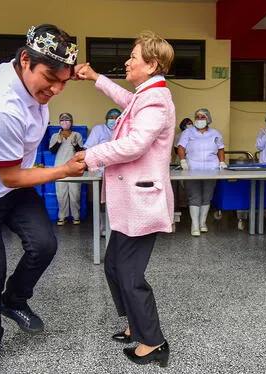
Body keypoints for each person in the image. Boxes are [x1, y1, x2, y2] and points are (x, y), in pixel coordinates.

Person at [0, 24, 86, 374]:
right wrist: (64, 170)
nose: (56, 89)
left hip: (12, 187)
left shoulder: (33, 85)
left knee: (44, 245)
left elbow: (14, 176)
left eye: (64, 82)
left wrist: (73, 73)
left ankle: (14, 300)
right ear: (25, 60)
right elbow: (11, 175)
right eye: (50, 78)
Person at [75, 30, 174, 368]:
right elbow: (125, 99)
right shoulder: (144, 95)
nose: (127, 62)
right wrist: (95, 77)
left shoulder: (157, 100)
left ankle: (154, 341)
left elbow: (134, 144)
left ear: (152, 64)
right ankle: (135, 324)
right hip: (129, 202)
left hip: (141, 201)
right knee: (114, 266)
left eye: (133, 57)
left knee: (130, 274)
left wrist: (89, 156)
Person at [177, 108, 227, 236]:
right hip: (192, 169)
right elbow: (181, 148)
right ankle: (194, 226)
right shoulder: (188, 132)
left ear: (208, 119)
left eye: (202, 117)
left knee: (207, 196)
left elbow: (221, 149)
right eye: (197, 117)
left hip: (211, 169)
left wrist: (222, 162)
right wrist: (183, 161)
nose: (199, 120)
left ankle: (202, 223)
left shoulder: (215, 133)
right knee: (194, 197)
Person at [84, 108, 121, 235]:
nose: (114, 119)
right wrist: (90, 166)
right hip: (101, 172)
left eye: (117, 117)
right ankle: (102, 228)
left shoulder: (123, 130)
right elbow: (87, 148)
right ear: (106, 118)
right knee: (102, 202)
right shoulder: (99, 129)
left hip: (119, 173)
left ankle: (116, 230)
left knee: (117, 202)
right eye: (111, 117)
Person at [49, 112, 84, 225]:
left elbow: (80, 152)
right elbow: (52, 151)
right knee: (61, 194)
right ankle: (62, 216)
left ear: (71, 122)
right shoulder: (55, 136)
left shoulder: (77, 135)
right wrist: (58, 142)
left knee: (75, 193)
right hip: (59, 168)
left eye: (67, 120)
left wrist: (75, 144)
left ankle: (76, 216)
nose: (65, 122)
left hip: (74, 168)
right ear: (59, 122)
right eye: (62, 120)